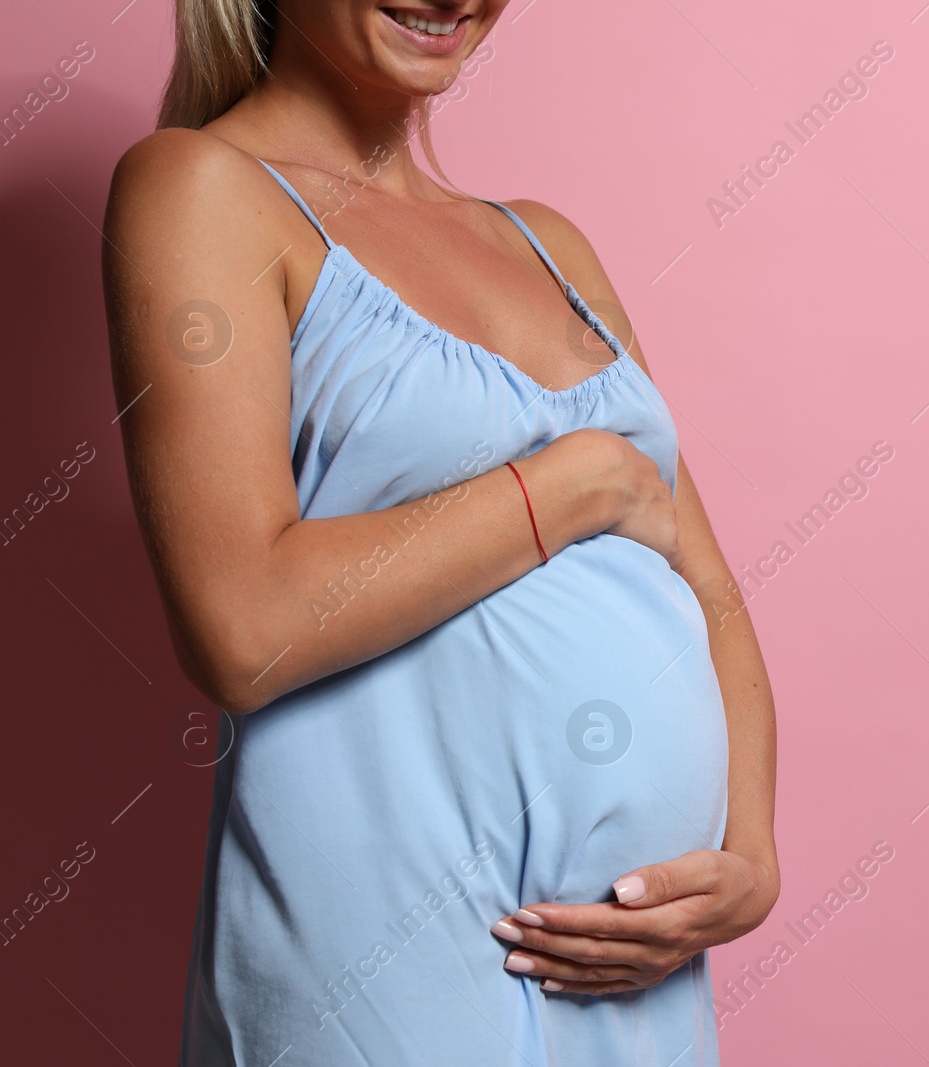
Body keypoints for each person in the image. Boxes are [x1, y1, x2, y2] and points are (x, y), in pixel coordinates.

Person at [100, 2, 779, 1063]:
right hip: (382, 950)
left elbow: (713, 598)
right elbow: (241, 625)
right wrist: (573, 483)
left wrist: (750, 861)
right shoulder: (201, 188)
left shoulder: (547, 243)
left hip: (633, 973)